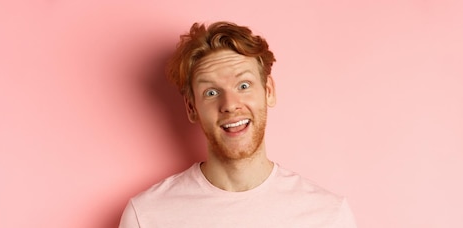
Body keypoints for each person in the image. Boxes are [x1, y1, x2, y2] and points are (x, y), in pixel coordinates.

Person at [118, 21, 357, 228]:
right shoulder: (147, 216)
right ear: (191, 108)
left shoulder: (328, 215)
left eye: (243, 86)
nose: (230, 105)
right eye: (211, 92)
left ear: (269, 91)